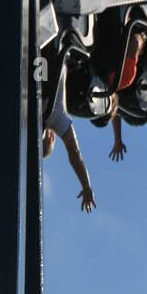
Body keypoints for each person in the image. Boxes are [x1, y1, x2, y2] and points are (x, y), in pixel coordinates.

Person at [43, 59, 97, 212]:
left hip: (56, 53)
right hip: (41, 57)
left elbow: (75, 153)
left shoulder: (57, 120)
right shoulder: (27, 112)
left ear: (50, 138)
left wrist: (87, 186)